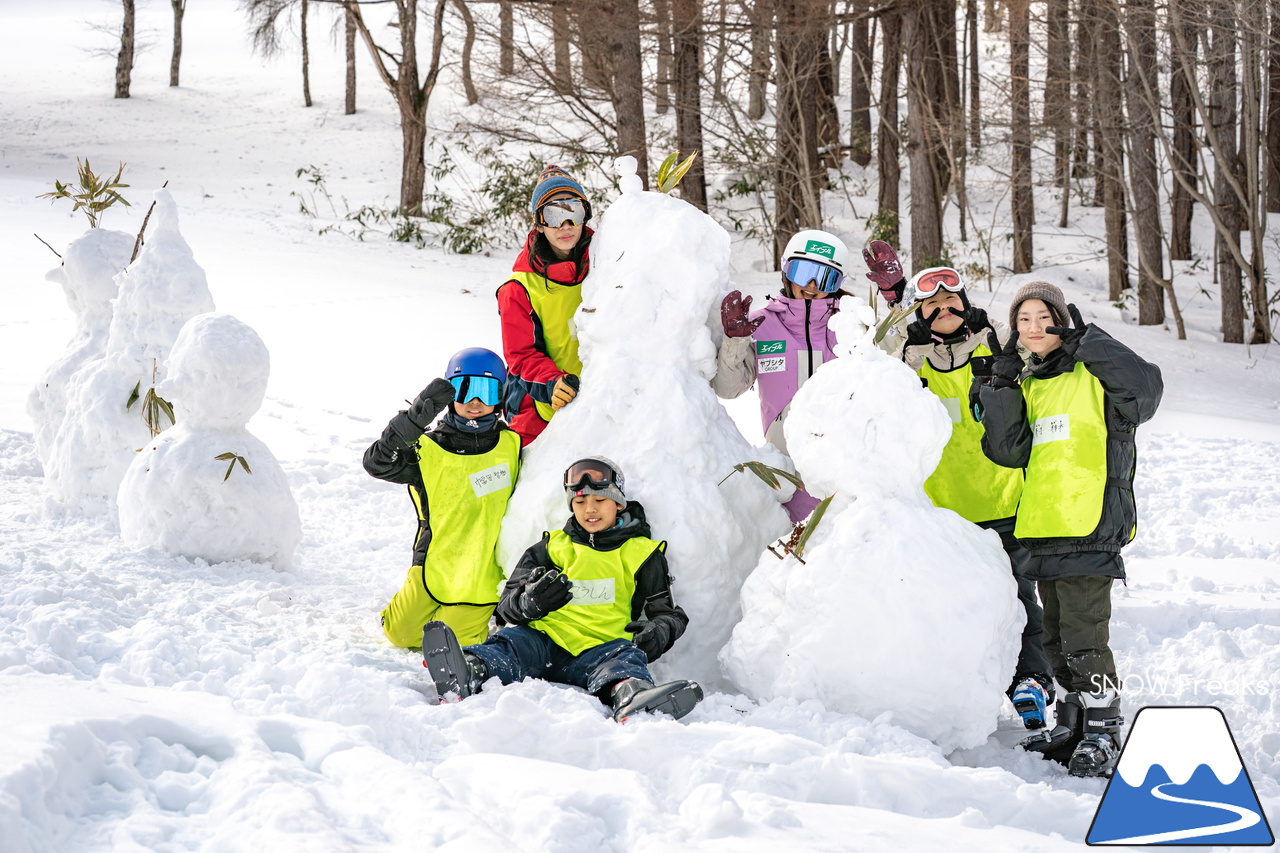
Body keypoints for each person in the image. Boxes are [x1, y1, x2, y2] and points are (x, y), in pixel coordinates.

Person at [974, 281, 1162, 778]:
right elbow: (1009, 451)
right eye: (1023, 320)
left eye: (1043, 316)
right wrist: (999, 388)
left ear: (1062, 319)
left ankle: (1104, 728)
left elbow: (1145, 391)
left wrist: (1091, 342)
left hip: (1092, 525)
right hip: (1043, 526)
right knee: (1056, 639)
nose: (1033, 328)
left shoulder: (1094, 373)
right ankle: (1073, 722)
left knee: (1084, 636)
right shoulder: (1030, 381)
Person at [875, 260, 1055, 731]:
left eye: (951, 301)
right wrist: (893, 299)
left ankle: (1030, 681)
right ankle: (949, 694)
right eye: (930, 305)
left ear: (966, 303)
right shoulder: (905, 357)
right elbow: (865, 357)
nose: (942, 309)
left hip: (1004, 502)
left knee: (1018, 598)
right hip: (939, 513)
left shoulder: (996, 345)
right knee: (950, 607)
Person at [420, 456, 703, 722]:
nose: (589, 509)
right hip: (544, 642)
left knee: (625, 660)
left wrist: (659, 632)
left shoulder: (642, 553)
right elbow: (506, 605)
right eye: (580, 502)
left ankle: (631, 695)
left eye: (600, 500)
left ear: (618, 503)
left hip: (601, 648)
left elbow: (667, 613)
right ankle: (470, 670)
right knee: (511, 641)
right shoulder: (552, 547)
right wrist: (529, 602)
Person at [363, 347, 521, 648]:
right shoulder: (426, 448)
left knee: (452, 643)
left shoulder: (512, 445)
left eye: (486, 391)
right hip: (434, 566)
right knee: (401, 636)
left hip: (481, 576)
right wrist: (410, 423)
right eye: (465, 389)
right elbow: (376, 463)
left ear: (501, 395)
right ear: (450, 396)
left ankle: (484, 618)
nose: (475, 402)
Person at [713, 229, 852, 521]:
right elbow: (728, 388)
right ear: (787, 272)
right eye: (804, 273)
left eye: (825, 277)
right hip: (787, 477)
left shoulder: (851, 326)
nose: (813, 285)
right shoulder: (761, 325)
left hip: (846, 474)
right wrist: (735, 341)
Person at [496, 165, 593, 446]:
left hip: (608, 400)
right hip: (547, 408)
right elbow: (521, 356)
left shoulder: (607, 262)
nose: (565, 226)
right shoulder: (518, 290)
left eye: (573, 212)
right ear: (538, 224)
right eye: (553, 214)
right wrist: (552, 383)